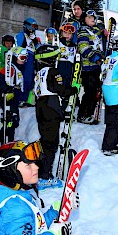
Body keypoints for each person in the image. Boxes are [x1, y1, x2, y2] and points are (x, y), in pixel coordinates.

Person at [0, 140, 76, 235]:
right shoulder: (15, 210)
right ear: (9, 172)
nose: (36, 167)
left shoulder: (17, 200)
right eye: (28, 165)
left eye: (34, 163)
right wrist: (54, 233)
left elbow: (34, 226)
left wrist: (55, 211)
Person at [33, 44, 80, 189]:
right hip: (50, 108)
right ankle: (45, 176)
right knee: (51, 144)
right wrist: (74, 89)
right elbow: (61, 90)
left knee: (44, 142)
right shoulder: (53, 72)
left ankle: (41, 173)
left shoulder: (39, 72)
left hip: (40, 107)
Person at [76, 10, 105, 124]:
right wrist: (96, 59)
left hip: (96, 67)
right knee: (90, 92)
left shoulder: (95, 31)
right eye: (89, 17)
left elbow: (101, 45)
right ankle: (82, 114)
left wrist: (104, 31)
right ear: (84, 19)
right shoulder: (83, 31)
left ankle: (90, 113)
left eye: (94, 16)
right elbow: (84, 48)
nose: (93, 18)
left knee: (95, 92)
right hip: (88, 67)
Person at [0, 46, 28, 144]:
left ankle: (2, 139)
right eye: (22, 58)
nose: (24, 61)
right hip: (6, 97)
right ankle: (6, 140)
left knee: (12, 119)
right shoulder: (10, 68)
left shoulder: (17, 69)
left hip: (13, 97)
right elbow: (0, 79)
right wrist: (6, 90)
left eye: (25, 58)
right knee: (11, 119)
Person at [15, 17, 40, 106]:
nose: (32, 30)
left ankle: (28, 99)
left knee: (32, 79)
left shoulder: (33, 37)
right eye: (31, 27)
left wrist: (35, 41)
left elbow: (38, 47)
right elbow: (18, 47)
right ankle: (21, 99)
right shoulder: (21, 35)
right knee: (25, 79)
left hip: (33, 58)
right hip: (25, 58)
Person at [0, 34, 15, 110]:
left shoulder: (10, 50)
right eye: (7, 43)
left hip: (7, 71)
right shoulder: (2, 49)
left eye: (10, 43)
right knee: (3, 87)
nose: (9, 45)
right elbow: (4, 59)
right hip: (3, 71)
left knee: (6, 87)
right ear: (4, 43)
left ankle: (3, 102)